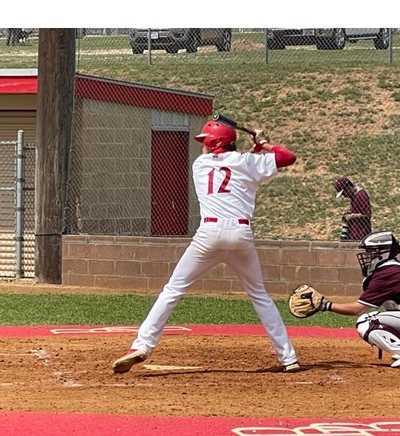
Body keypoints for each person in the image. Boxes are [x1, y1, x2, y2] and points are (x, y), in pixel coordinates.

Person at [112, 121, 300, 375]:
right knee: (259, 295)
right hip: (241, 235)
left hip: (208, 235)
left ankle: (142, 345)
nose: (203, 146)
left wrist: (254, 149)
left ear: (215, 144)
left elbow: (230, 163)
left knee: (173, 290)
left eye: (207, 141)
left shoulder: (200, 165)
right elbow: (287, 158)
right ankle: (288, 357)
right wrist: (262, 142)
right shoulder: (247, 162)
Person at [289, 231, 400, 370]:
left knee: (366, 321)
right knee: (390, 308)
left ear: (382, 252)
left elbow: (357, 309)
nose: (366, 257)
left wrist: (325, 305)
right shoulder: (397, 264)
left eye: (370, 252)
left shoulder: (386, 273)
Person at [335, 176, 372, 241]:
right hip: (354, 233)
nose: (344, 196)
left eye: (344, 193)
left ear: (348, 187)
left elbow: (367, 215)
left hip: (361, 233)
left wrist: (352, 216)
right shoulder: (353, 196)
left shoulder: (361, 195)